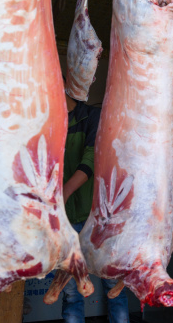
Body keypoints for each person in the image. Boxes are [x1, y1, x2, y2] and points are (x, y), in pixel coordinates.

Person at [61, 87, 130, 323]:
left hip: (98, 216)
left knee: (114, 285)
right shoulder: (48, 121)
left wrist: (65, 191)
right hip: (66, 220)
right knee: (71, 290)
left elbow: (92, 159)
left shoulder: (91, 116)